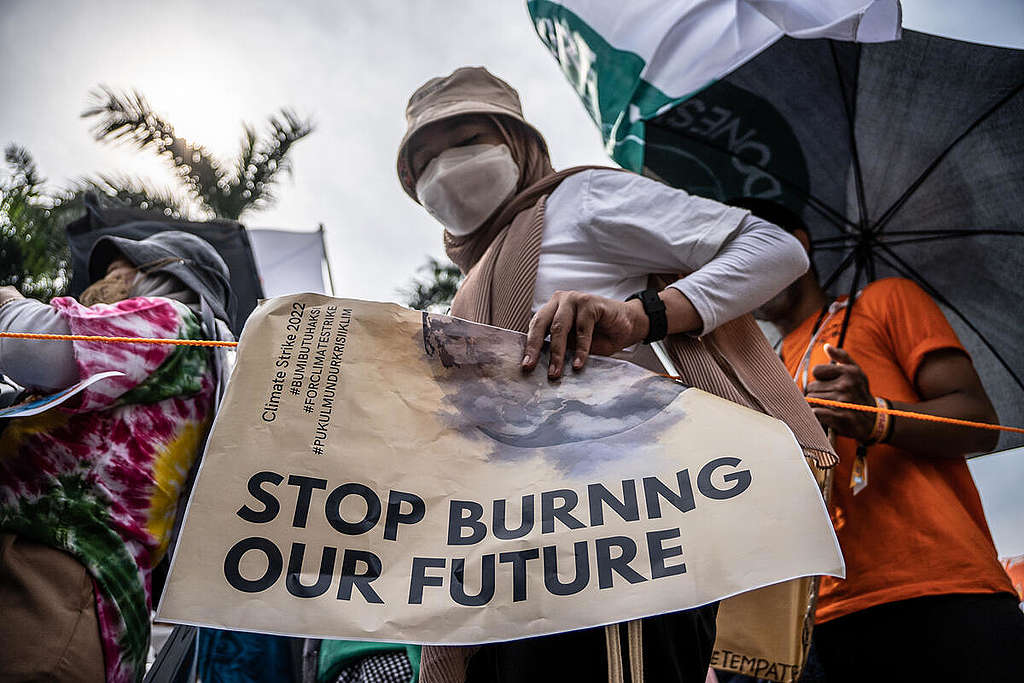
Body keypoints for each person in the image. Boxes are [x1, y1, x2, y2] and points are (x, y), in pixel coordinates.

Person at [396, 67, 837, 683]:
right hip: (503, 567)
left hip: (617, 543)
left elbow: (772, 249)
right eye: (423, 160)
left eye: (466, 140)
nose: (445, 166)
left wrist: (639, 319)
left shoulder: (579, 201)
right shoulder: (466, 293)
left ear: (517, 143)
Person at [739, 198, 1024, 682]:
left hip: (941, 586)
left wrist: (876, 416)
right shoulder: (761, 368)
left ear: (793, 246)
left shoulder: (884, 300)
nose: (740, 271)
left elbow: (980, 420)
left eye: (748, 251)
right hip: (819, 620)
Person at [0, 230, 234, 683]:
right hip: (62, 577)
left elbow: (32, 343)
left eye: (116, 271)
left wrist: (7, 304)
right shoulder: (185, 362)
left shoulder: (176, 322)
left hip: (55, 579)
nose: (104, 282)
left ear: (166, 274)